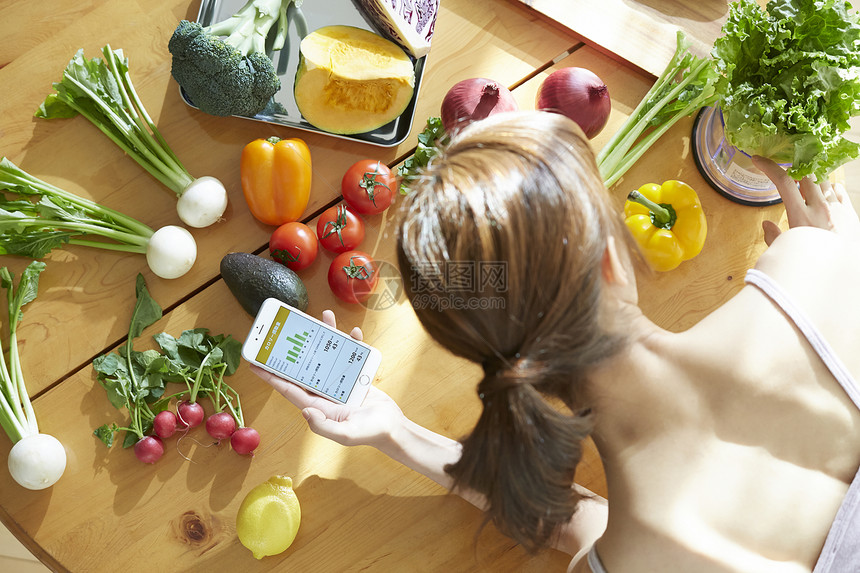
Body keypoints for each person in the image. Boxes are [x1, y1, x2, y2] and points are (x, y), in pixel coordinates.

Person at [251, 111, 860, 572]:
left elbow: (579, 523)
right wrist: (832, 255)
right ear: (610, 263)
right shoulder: (817, 271)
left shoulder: (622, 560)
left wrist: (392, 430)